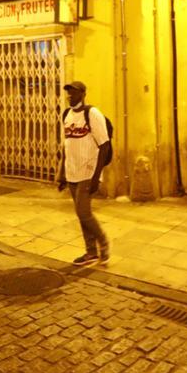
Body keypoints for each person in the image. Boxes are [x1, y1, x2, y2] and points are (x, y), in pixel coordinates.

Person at [57, 81, 111, 266]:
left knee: (83, 212)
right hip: (72, 172)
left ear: (83, 93)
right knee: (81, 214)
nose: (69, 95)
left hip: (88, 172)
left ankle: (103, 242)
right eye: (68, 92)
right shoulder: (67, 114)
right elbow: (66, 145)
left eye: (73, 92)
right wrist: (62, 174)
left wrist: (97, 176)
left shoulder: (93, 114)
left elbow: (104, 145)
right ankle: (91, 252)